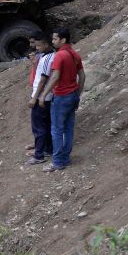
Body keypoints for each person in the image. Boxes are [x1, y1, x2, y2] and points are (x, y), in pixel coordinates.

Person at [38, 28, 85, 172]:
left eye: (55, 39)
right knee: (68, 128)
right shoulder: (74, 54)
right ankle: (65, 158)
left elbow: (55, 77)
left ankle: (58, 162)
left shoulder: (59, 55)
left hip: (61, 96)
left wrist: (43, 94)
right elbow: (82, 77)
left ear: (63, 40)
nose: (52, 42)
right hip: (72, 95)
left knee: (57, 130)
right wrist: (77, 94)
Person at [26, 32, 54, 165]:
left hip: (42, 98)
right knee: (46, 125)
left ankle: (39, 155)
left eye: (38, 45)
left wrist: (35, 98)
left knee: (38, 127)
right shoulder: (45, 56)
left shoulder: (48, 58)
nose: (36, 48)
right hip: (44, 97)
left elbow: (43, 80)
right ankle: (48, 149)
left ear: (46, 44)